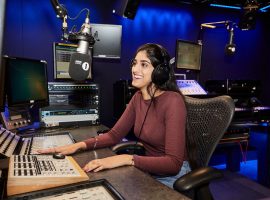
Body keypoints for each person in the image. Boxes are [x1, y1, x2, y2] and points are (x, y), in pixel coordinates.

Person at [38, 43, 190, 188]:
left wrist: (126, 159)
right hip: (149, 170)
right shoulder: (138, 97)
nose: (135, 69)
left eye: (144, 64)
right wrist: (77, 146)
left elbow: (173, 163)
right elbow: (113, 136)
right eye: (134, 63)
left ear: (160, 72)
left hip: (172, 177)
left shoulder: (173, 101)